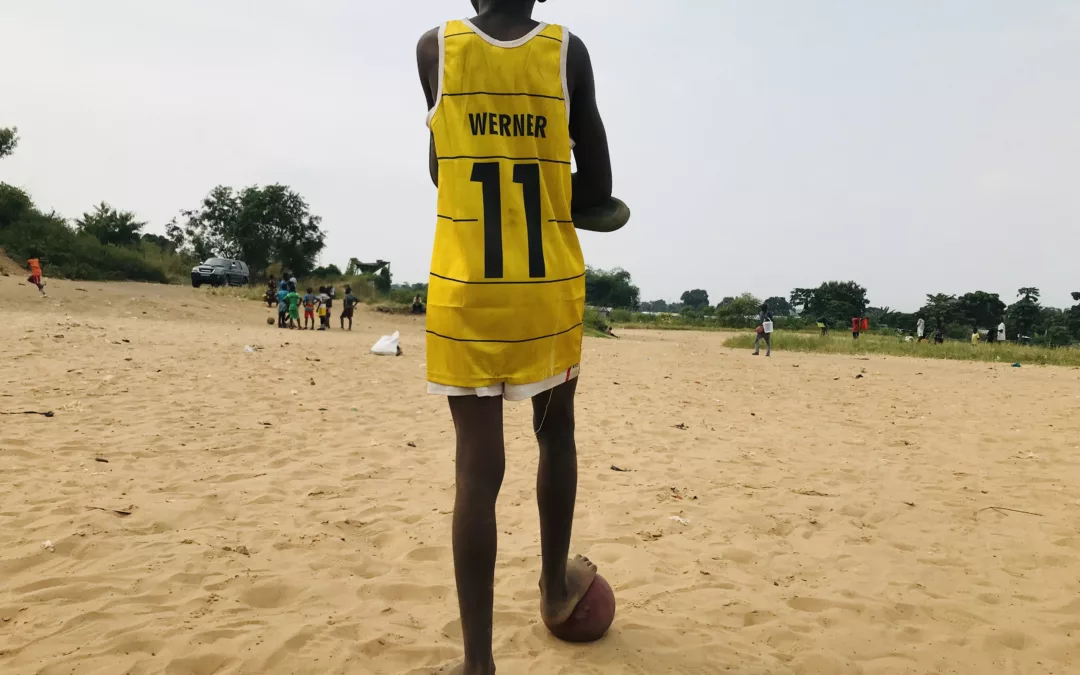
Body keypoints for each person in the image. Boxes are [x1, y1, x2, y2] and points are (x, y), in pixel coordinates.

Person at [417, 0, 613, 670]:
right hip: (545, 291)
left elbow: (443, 169)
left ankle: (477, 663)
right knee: (554, 435)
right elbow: (601, 184)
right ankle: (556, 588)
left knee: (477, 467)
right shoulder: (568, 52)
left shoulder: (434, 49)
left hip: (466, 287)